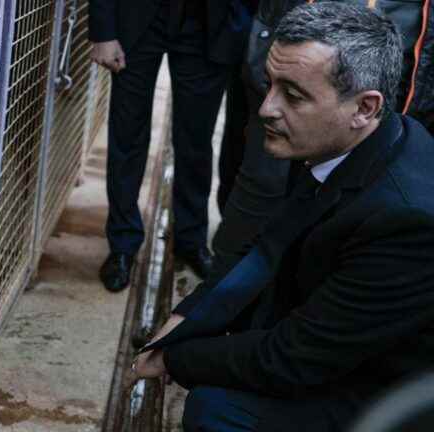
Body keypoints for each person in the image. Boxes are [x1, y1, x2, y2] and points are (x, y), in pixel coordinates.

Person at [131, 3, 434, 431]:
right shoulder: (359, 138)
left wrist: (174, 357)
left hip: (398, 400)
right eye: (269, 84)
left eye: (293, 95)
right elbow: (269, 247)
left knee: (215, 410)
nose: (266, 108)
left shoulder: (408, 222)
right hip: (355, 351)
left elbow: (289, 359)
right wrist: (190, 318)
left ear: (365, 106)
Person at [212, 0, 434, 274]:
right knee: (263, 185)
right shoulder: (280, 91)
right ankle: (226, 278)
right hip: (295, 71)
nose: (268, 108)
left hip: (390, 107)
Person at [88, 0, 257, 291]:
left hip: (209, 26)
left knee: (196, 141)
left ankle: (191, 240)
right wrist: (103, 31)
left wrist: (243, 23)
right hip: (137, 21)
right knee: (126, 137)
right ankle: (122, 245)